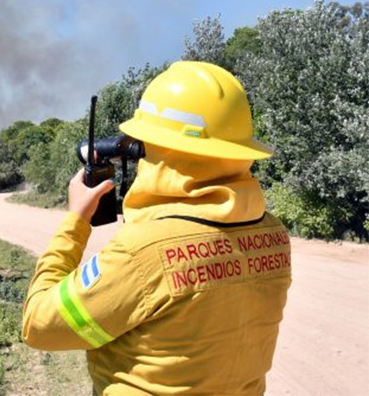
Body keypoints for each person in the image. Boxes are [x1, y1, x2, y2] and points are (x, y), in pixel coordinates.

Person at [22, 61, 291, 395]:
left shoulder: (143, 252)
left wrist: (75, 220)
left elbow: (39, 325)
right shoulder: (273, 234)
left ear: (160, 151)